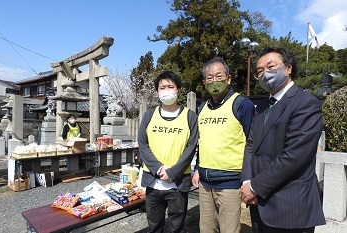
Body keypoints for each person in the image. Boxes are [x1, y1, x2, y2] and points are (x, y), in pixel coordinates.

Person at [240, 46, 326, 233]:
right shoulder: (261, 107)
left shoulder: (305, 103)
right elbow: (251, 145)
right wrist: (246, 180)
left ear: (288, 68)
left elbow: (294, 155)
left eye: (271, 67)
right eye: (260, 71)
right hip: (259, 204)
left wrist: (255, 186)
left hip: (290, 207)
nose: (265, 74)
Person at [192, 57, 255, 233]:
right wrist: (197, 168)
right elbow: (202, 142)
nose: (214, 81)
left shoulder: (242, 105)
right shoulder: (202, 108)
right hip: (205, 182)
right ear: (204, 82)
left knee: (229, 229)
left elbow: (253, 143)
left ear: (228, 79)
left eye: (219, 76)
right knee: (206, 228)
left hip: (230, 183)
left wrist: (248, 179)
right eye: (209, 77)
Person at [138, 71, 198, 233]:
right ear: (157, 91)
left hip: (177, 184)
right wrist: (158, 168)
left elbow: (191, 146)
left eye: (170, 87)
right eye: (162, 87)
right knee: (154, 227)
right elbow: (143, 144)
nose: (166, 90)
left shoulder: (190, 116)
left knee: (175, 228)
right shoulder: (149, 115)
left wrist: (173, 172)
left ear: (178, 90)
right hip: (153, 182)